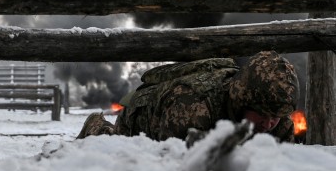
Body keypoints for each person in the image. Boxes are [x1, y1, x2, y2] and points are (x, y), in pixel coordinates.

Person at [77, 50, 299, 143]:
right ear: (243, 100)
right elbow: (173, 166)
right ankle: (98, 126)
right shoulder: (192, 108)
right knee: (116, 148)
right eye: (262, 114)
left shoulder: (278, 120)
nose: (270, 123)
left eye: (276, 115)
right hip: (142, 119)